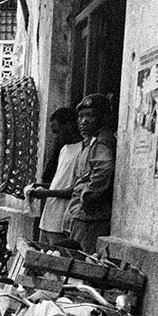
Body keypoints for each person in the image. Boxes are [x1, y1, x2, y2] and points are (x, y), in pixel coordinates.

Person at [67, 94, 116, 254]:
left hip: (91, 217)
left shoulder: (102, 141)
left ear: (104, 118)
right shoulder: (92, 141)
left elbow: (104, 169)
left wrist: (87, 196)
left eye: (91, 116)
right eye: (81, 116)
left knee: (81, 261)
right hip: (83, 215)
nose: (84, 121)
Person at [27, 108, 83, 245]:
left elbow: (75, 189)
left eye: (58, 132)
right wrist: (41, 188)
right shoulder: (64, 150)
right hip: (48, 218)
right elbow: (60, 182)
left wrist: (47, 193)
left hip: (62, 220)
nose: (56, 137)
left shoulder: (83, 150)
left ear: (69, 126)